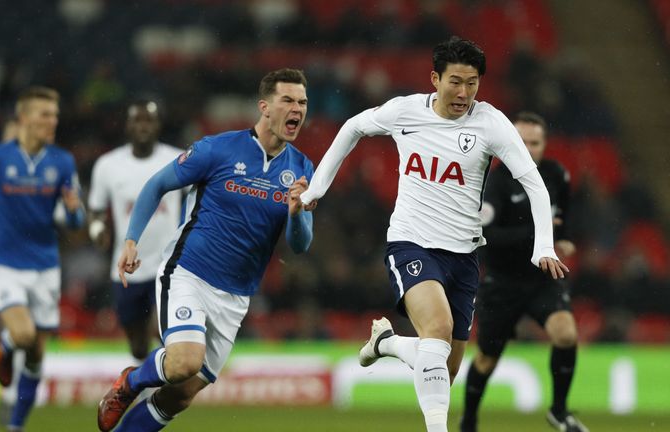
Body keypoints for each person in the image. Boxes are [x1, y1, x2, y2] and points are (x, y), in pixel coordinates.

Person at [299, 36, 569, 432]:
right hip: (411, 242)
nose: (463, 93)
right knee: (437, 331)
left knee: (445, 367)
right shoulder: (404, 112)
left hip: (463, 257)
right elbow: (352, 128)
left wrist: (542, 245)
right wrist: (315, 189)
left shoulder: (490, 123)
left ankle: (387, 344)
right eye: (455, 82)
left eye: (472, 83)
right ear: (435, 79)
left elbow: (534, 184)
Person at [96, 68, 314, 432]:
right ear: (265, 106)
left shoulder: (302, 168)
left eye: (303, 102)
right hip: (189, 273)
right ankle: (130, 382)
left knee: (179, 396)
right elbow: (157, 184)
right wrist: (130, 240)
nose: (297, 109)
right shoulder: (218, 148)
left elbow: (300, 244)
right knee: (184, 362)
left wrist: (296, 214)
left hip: (236, 297)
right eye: (288, 100)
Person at [0, 86, 85, 432]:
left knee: (38, 356)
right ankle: (7, 342)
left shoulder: (62, 161)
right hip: (6, 264)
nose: (52, 121)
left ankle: (16, 427)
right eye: (44, 114)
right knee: (24, 336)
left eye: (55, 115)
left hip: (47, 266)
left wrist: (74, 212)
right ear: (23, 118)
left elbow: (75, 222)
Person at [460, 112, 587, 432]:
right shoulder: (495, 182)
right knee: (487, 359)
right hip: (501, 282)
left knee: (566, 334)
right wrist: (534, 234)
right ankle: (469, 420)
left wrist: (566, 238)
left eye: (536, 143)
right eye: (522, 142)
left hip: (542, 279)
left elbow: (564, 216)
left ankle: (559, 411)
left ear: (545, 145)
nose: (529, 149)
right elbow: (486, 239)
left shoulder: (557, 175)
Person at [88, 100, 184, 362]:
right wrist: (97, 229)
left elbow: (197, 197)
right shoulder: (107, 165)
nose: (143, 126)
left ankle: (160, 395)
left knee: (162, 331)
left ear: (158, 125)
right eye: (137, 120)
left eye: (148, 120)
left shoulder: (177, 160)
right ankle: (142, 387)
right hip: (126, 269)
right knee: (138, 347)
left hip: (169, 265)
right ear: (127, 126)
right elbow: (96, 209)